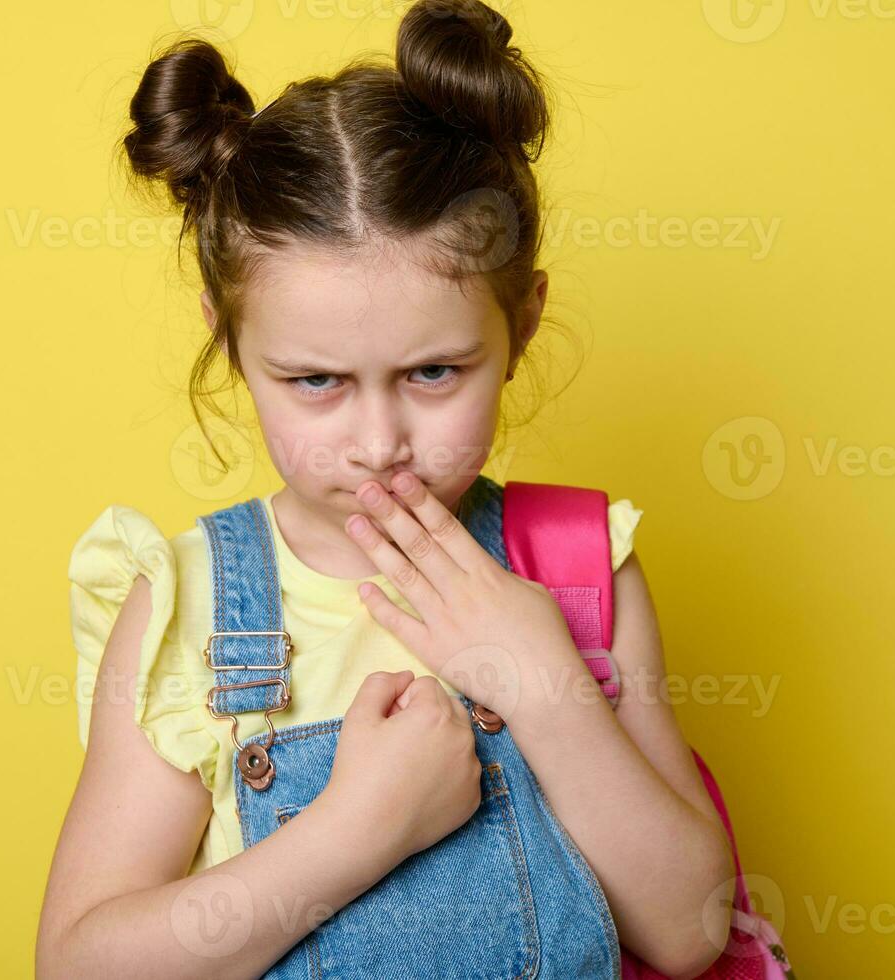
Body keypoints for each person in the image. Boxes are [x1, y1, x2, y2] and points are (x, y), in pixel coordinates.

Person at [36, 2, 734, 977]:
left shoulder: (578, 566)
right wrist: (359, 828)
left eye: (434, 372)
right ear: (231, 340)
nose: (378, 444)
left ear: (523, 321)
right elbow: (83, 963)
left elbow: (690, 928)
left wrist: (547, 684)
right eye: (316, 380)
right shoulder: (187, 604)